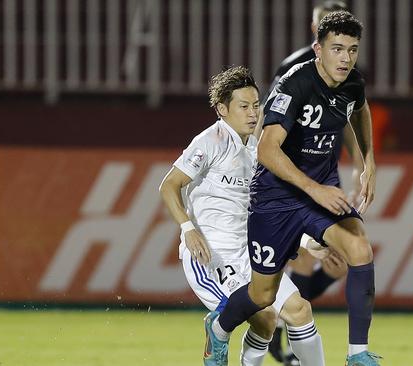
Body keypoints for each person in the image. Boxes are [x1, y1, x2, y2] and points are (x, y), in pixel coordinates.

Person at [206, 11, 382, 366]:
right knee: (261, 294)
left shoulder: (353, 83)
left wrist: (368, 161)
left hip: (320, 192)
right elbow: (267, 150)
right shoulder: (294, 84)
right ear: (317, 48)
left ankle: (357, 353)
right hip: (276, 198)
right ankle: (219, 328)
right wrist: (314, 189)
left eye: (352, 49)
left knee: (360, 249)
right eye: (337, 49)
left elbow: (359, 109)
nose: (346, 58)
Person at [159, 66, 325, 366]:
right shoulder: (211, 141)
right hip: (211, 254)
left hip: (249, 252)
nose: (252, 113)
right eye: (244, 106)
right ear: (222, 109)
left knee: (298, 311)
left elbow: (269, 211)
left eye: (256, 105)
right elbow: (169, 185)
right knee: (264, 316)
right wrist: (187, 228)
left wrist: (306, 240)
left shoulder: (260, 150)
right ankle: (218, 329)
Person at [259, 2, 356, 364]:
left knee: (312, 256)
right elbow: (270, 119)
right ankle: (274, 332)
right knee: (294, 255)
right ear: (314, 31)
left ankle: (282, 336)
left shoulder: (345, 73)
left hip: (318, 172)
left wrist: (360, 161)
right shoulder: (294, 68)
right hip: (290, 172)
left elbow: (344, 118)